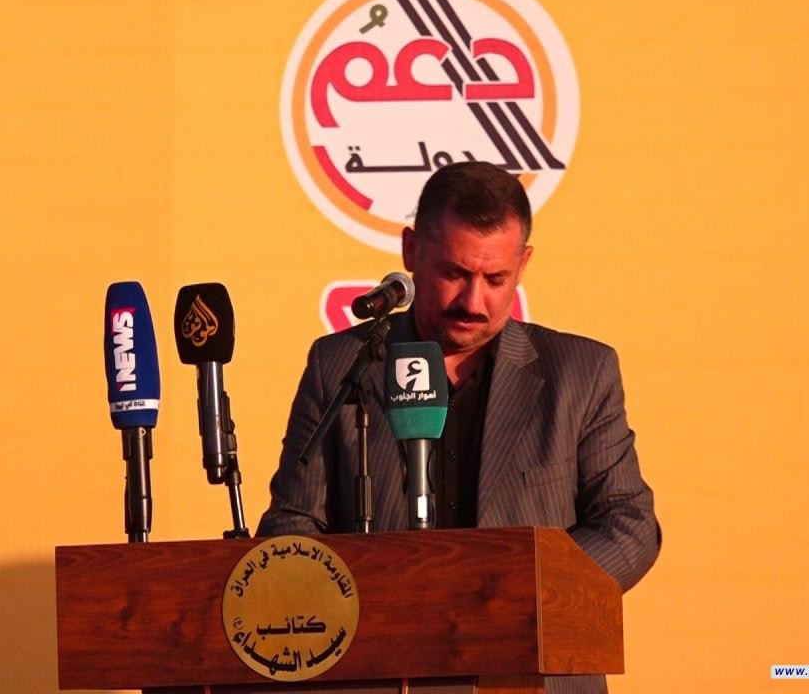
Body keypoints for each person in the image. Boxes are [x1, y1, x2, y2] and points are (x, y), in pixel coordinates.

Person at [256, 162, 659, 694]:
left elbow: (629, 526)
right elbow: (291, 525)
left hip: (535, 675)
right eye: (454, 273)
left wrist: (515, 596)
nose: (473, 301)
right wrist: (369, 606)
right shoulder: (340, 365)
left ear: (524, 263)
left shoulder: (580, 373)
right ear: (411, 251)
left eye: (496, 280)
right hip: (380, 672)